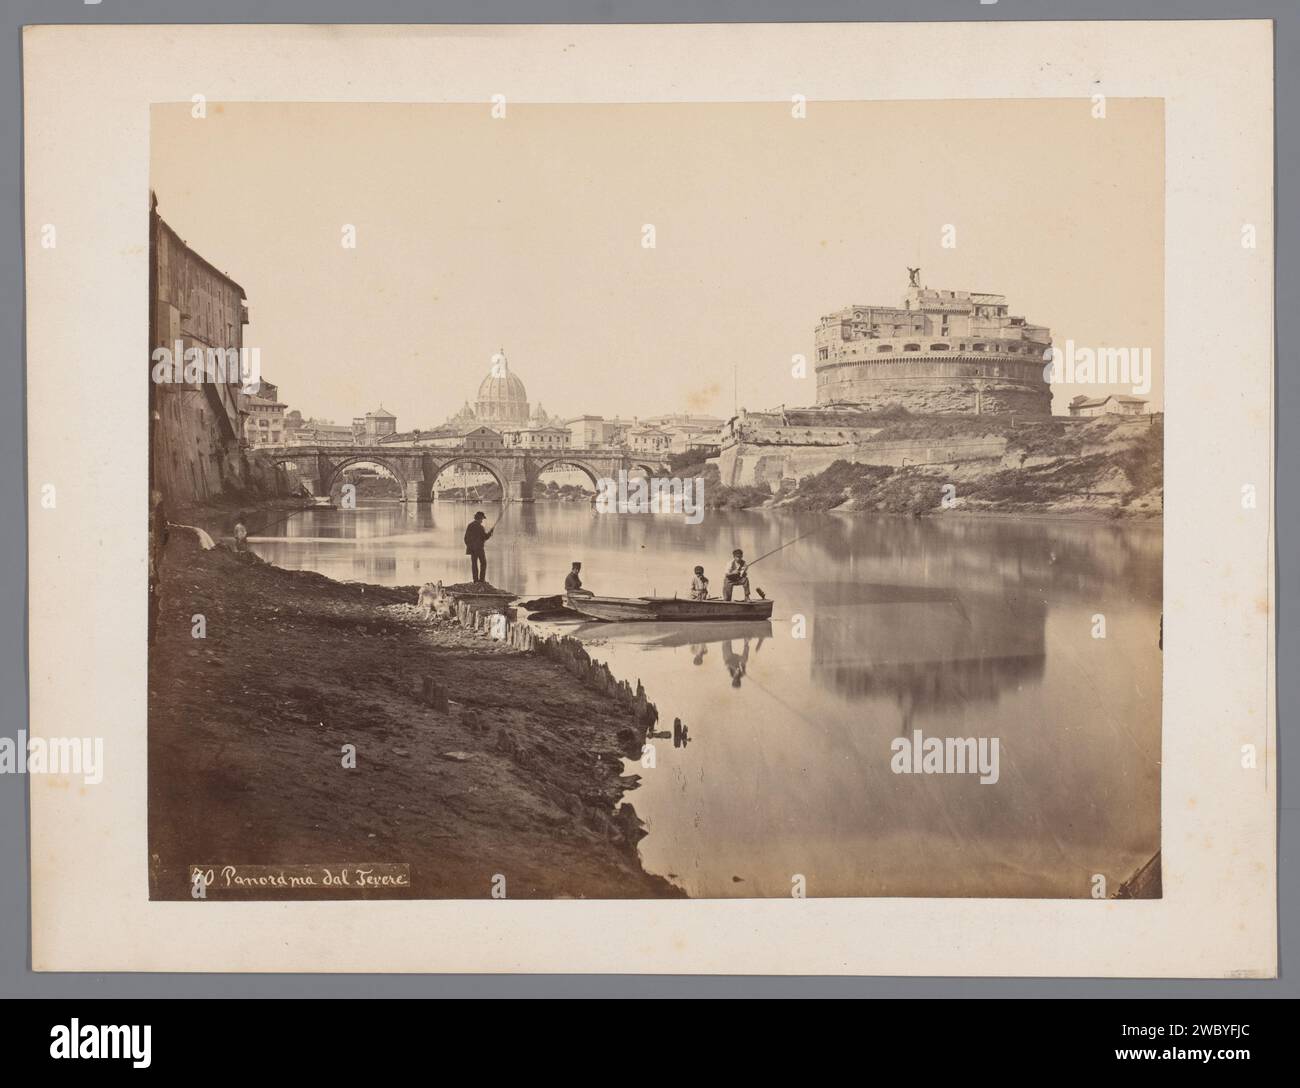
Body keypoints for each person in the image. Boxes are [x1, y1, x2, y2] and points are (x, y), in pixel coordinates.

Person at [464, 511, 493, 583]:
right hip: (479, 549)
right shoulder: (480, 527)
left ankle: (475, 580)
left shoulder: (470, 525)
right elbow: (485, 537)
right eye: (482, 519)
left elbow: (465, 538)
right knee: (483, 563)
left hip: (472, 549)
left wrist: (469, 546)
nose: (482, 521)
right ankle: (482, 580)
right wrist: (490, 533)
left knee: (474, 564)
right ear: (479, 518)